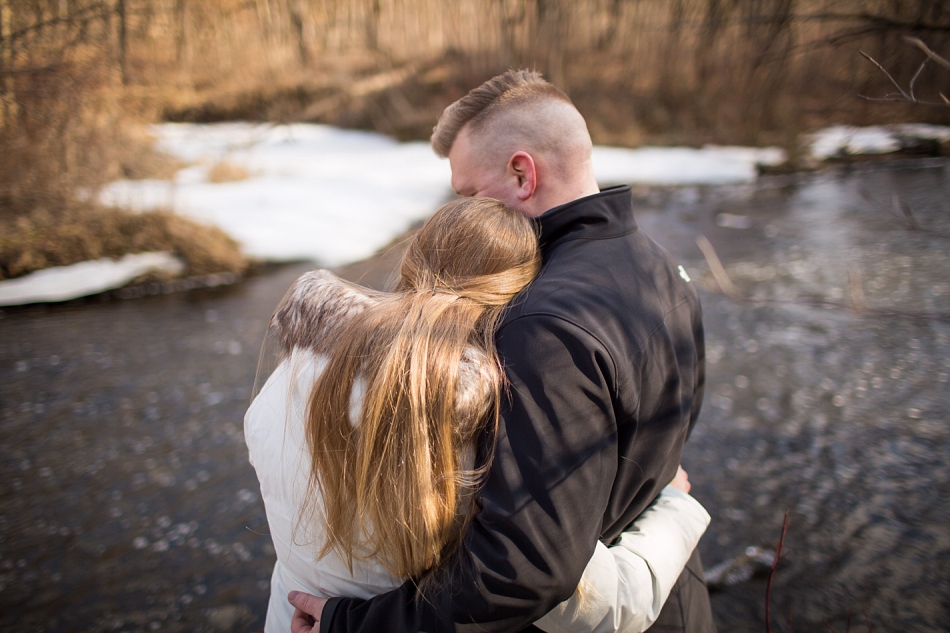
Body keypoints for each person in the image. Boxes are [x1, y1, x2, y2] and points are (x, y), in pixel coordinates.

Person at [289, 70, 714, 633]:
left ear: (521, 173)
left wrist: (355, 624)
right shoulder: (660, 265)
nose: (461, 210)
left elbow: (522, 571)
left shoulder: (541, 324)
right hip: (673, 593)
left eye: (467, 193)